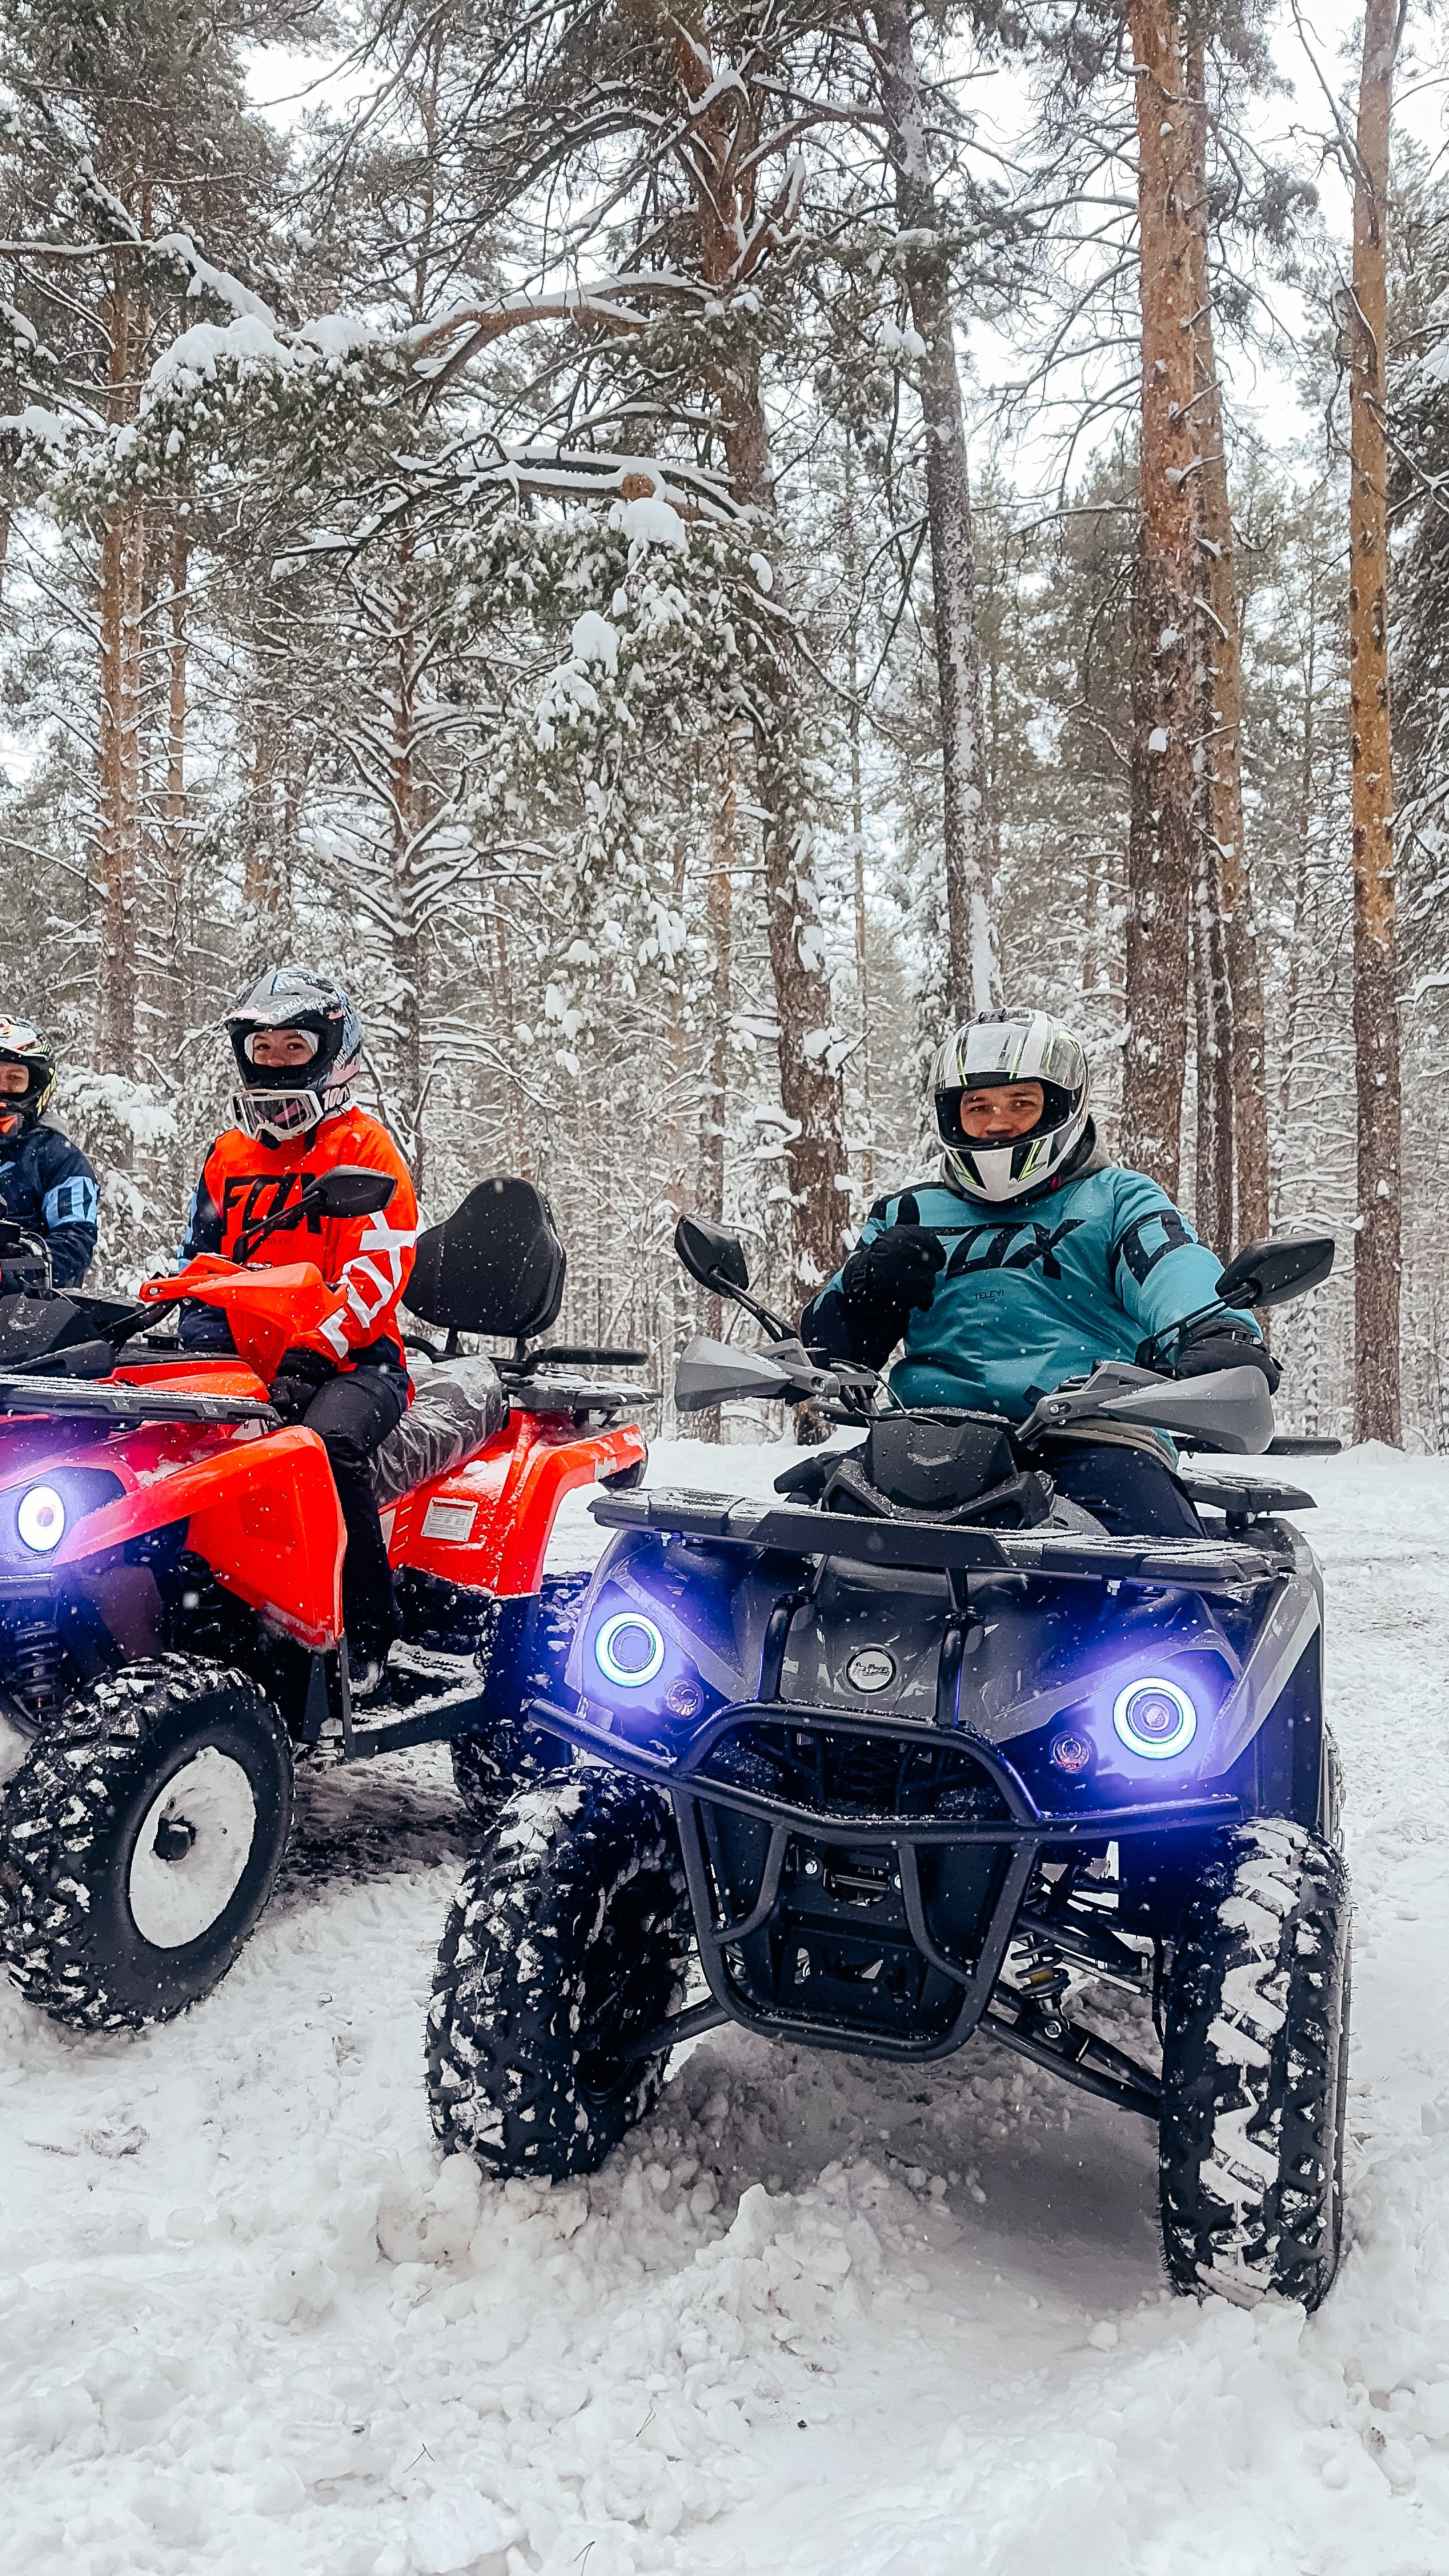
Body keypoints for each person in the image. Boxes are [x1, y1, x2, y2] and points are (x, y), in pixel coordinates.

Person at [801, 1007, 1276, 1538]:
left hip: (1094, 1436)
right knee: (784, 1548)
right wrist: (864, 1290)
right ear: (950, 1115)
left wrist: (1216, 1329)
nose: (997, 1121)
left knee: (1162, 1575)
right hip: (919, 1442)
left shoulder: (1115, 1199)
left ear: (1062, 1107)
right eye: (977, 1106)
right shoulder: (906, 1214)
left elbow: (1169, 1262)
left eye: (1020, 1103)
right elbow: (827, 1348)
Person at [177, 967, 418, 1691]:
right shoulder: (228, 1156)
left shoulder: (366, 1152)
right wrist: (194, 1323)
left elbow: (378, 1274)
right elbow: (203, 1259)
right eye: (264, 1047)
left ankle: (368, 1634)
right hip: (249, 1363)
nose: (276, 1060)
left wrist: (316, 1353)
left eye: (294, 1044)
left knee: (324, 1447)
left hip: (356, 1365)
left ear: (334, 1050)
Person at [0, 1017, 99, 1287]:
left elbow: (74, 1243)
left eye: (13, 1079)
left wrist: (16, 1267)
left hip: (28, 1313)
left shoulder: (58, 1157)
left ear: (36, 1085)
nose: (2, 1090)